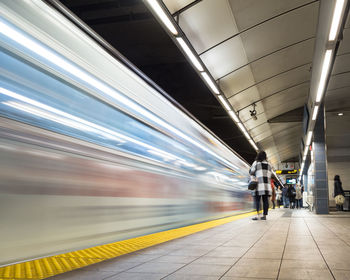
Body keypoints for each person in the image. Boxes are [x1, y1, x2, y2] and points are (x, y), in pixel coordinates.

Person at [249, 151, 272, 220]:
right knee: (265, 201)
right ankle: (264, 216)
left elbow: (251, 172)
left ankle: (258, 215)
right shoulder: (269, 165)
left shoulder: (256, 163)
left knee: (257, 201)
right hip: (267, 186)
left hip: (258, 185)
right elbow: (270, 175)